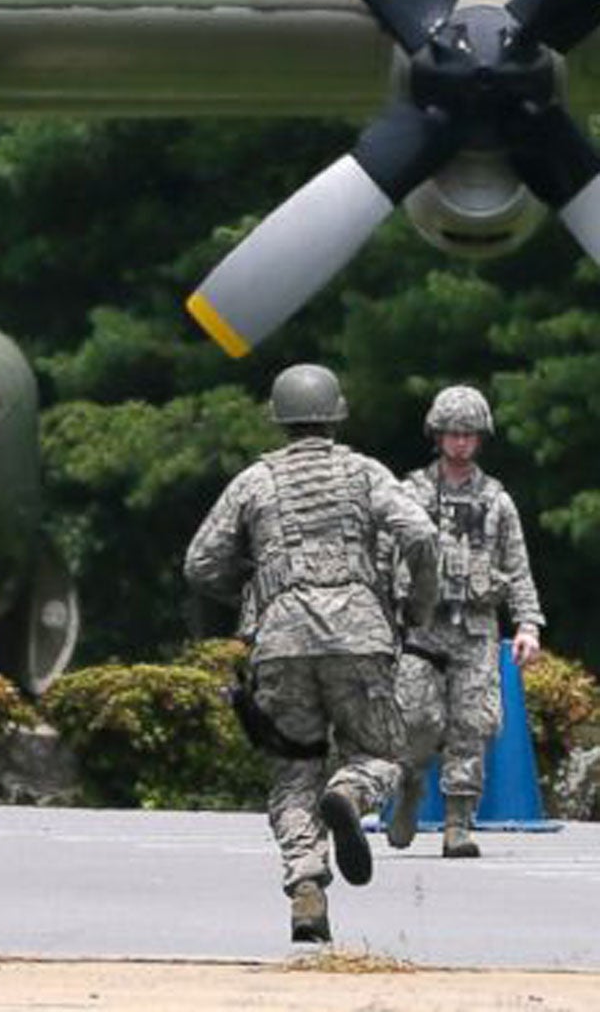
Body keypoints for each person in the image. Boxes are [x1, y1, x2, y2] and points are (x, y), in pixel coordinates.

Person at [186, 363, 437, 945]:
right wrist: (415, 606)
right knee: (380, 754)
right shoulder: (365, 473)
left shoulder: (255, 481)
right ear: (335, 415)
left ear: (280, 419)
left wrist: (253, 590)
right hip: (360, 637)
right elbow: (420, 533)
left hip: (280, 642)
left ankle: (306, 890)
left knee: (293, 774)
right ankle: (350, 794)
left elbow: (200, 563)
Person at [385, 385, 545, 859]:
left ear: (480, 439)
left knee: (472, 725)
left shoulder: (498, 502)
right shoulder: (409, 494)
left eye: (469, 435)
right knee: (414, 719)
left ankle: (459, 823)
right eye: (452, 433)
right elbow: (380, 554)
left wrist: (528, 626)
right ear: (438, 436)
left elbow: (517, 569)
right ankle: (410, 785)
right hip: (422, 626)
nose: (460, 443)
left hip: (475, 629)